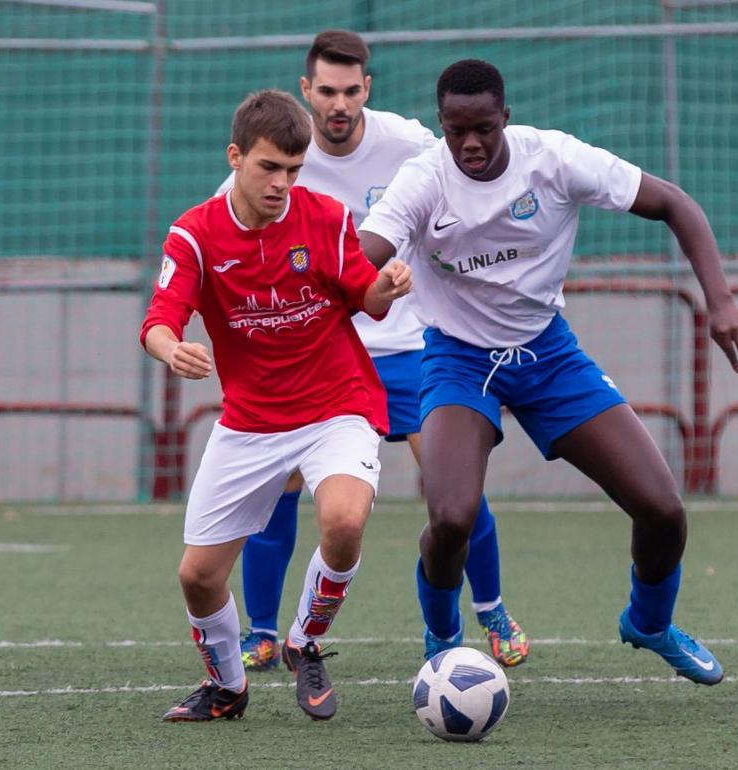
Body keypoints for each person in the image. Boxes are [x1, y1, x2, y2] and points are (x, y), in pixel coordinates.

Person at [358, 60, 738, 685]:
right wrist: (369, 286)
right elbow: (363, 257)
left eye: (484, 129)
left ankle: (649, 623)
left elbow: (675, 204)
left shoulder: (552, 160)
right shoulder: (422, 180)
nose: (470, 144)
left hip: (547, 356)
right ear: (440, 124)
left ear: (507, 118)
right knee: (450, 519)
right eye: (456, 130)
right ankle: (443, 641)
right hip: (457, 360)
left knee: (662, 511)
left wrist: (722, 301)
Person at [223, 31, 531, 671]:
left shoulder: (411, 145)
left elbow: (468, 187)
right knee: (277, 484)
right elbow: (235, 220)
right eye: (326, 91)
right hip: (320, 354)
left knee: (454, 487)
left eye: (351, 91)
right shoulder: (284, 155)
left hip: (409, 346)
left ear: (368, 89)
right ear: (306, 91)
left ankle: (492, 609)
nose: (339, 104)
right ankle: (259, 629)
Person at [141, 89, 412, 722]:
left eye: (294, 170)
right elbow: (160, 317)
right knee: (198, 578)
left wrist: (386, 287)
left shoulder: (327, 218)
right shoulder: (196, 233)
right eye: (269, 168)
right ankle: (228, 689)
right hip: (251, 422)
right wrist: (170, 348)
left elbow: (364, 299)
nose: (283, 183)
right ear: (235, 157)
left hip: (337, 404)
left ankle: (304, 641)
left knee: (343, 521)